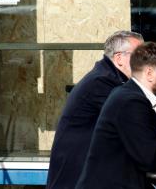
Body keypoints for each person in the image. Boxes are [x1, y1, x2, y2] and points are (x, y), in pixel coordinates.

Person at [76, 42, 156, 189]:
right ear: (149, 74)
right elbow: (150, 158)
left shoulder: (132, 95)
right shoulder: (131, 102)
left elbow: (148, 136)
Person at [46, 30, 144, 189]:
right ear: (119, 58)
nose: (145, 61)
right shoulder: (102, 82)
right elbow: (132, 125)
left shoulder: (110, 78)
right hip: (75, 176)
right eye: (140, 55)